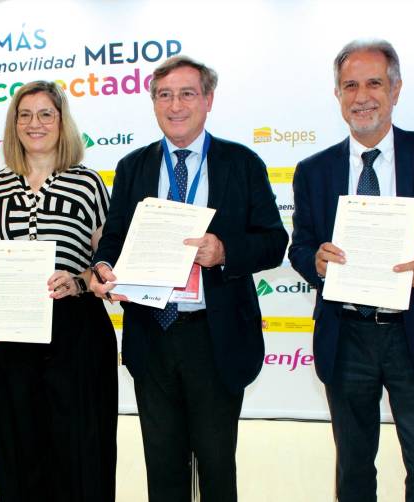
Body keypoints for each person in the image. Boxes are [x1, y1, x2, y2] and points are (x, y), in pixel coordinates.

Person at [288, 39, 414, 502]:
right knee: (353, 468)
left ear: (395, 90)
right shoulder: (312, 171)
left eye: (374, 82)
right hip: (346, 333)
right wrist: (314, 261)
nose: (362, 96)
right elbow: (301, 247)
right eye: (349, 85)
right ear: (337, 95)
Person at [90, 56, 288, 501]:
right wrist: (103, 267)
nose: (175, 105)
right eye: (164, 95)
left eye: (186, 93)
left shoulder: (242, 163)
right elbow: (114, 237)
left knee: (217, 463)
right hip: (151, 334)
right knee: (162, 464)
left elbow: (275, 242)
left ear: (209, 100)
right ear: (153, 102)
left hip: (214, 338)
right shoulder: (132, 166)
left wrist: (224, 251)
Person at [0, 80, 117, 502]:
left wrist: (79, 281)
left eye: (45, 114)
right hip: (9, 334)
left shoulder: (87, 184)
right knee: (21, 449)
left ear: (61, 122)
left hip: (75, 332)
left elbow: (104, 263)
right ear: (14, 124)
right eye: (25, 115)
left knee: (81, 448)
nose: (35, 124)